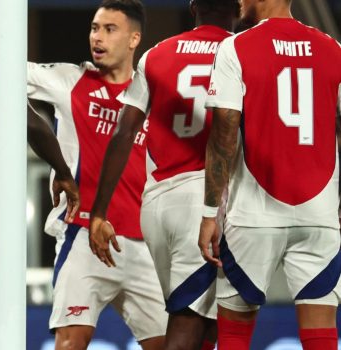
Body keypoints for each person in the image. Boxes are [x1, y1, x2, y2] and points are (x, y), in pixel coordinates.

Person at [88, 1, 239, 349]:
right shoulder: (240, 53)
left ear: (192, 8)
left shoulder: (157, 54)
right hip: (205, 202)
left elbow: (124, 133)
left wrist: (99, 211)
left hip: (156, 205)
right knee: (187, 324)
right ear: (237, 7)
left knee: (204, 323)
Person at [198, 0, 341, 349]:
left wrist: (209, 213)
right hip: (319, 214)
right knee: (321, 332)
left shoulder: (235, 47)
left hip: (253, 214)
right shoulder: (333, 49)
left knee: (233, 331)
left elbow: (223, 135)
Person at [26, 1, 167, 349]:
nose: (97, 37)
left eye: (109, 29)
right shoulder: (69, 81)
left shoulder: (154, 92)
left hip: (142, 244)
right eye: (94, 28)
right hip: (82, 237)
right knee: (70, 342)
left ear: (134, 39)